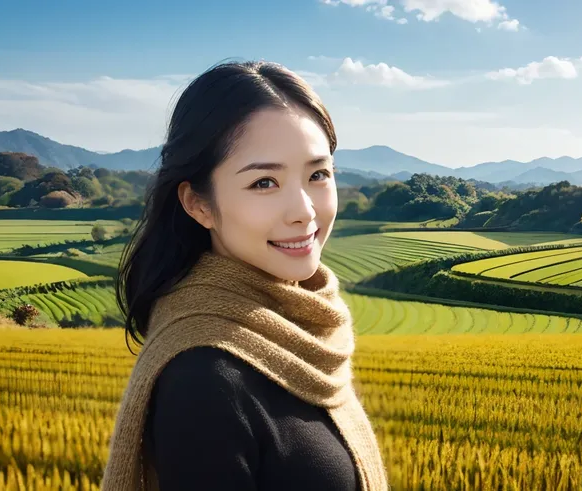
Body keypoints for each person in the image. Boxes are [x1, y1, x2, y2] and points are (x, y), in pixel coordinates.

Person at [100, 60, 390, 491]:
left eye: (317, 175)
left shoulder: (307, 334)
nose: (304, 212)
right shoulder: (206, 380)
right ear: (198, 204)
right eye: (264, 183)